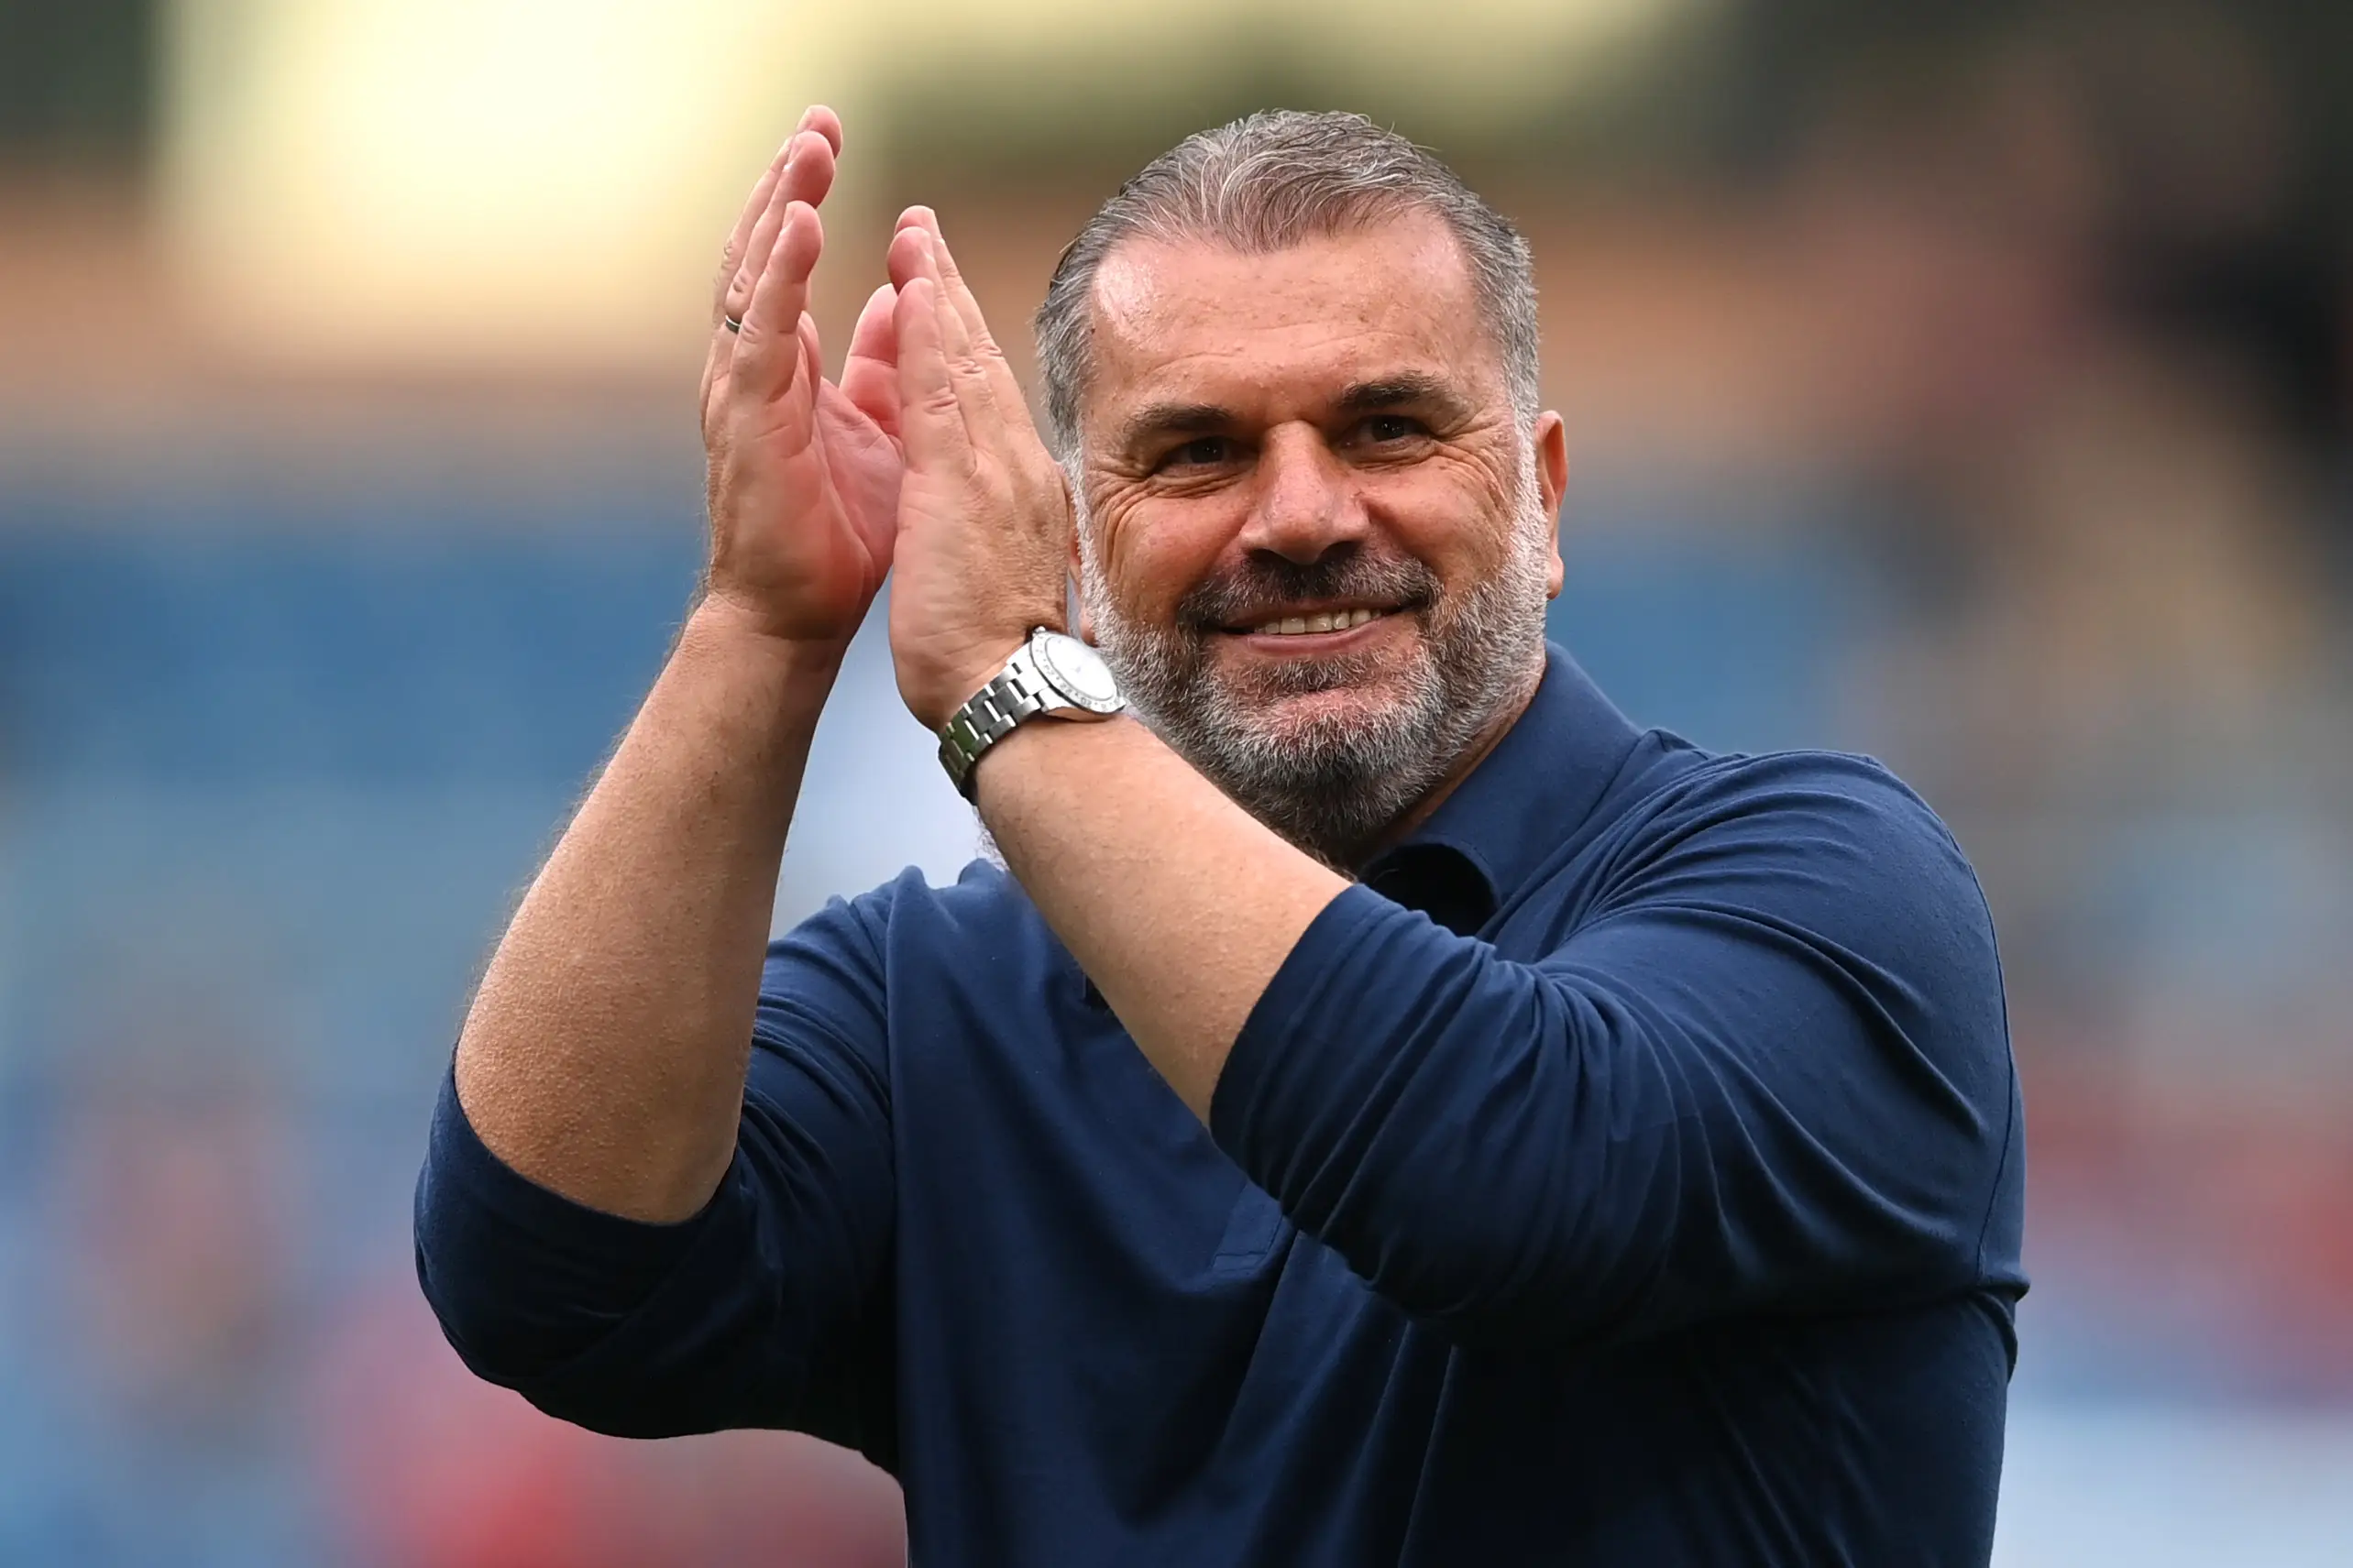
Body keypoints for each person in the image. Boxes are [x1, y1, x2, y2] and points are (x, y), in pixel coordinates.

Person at [415, 106, 2026, 1566]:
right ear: (1075, 538)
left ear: (1545, 502)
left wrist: (1003, 689)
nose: (1305, 513)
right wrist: (760, 632)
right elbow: (547, 1274)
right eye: (1197, 451)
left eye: (1390, 426)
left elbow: (1511, 1176)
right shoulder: (944, 1002)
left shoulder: (1829, 886)